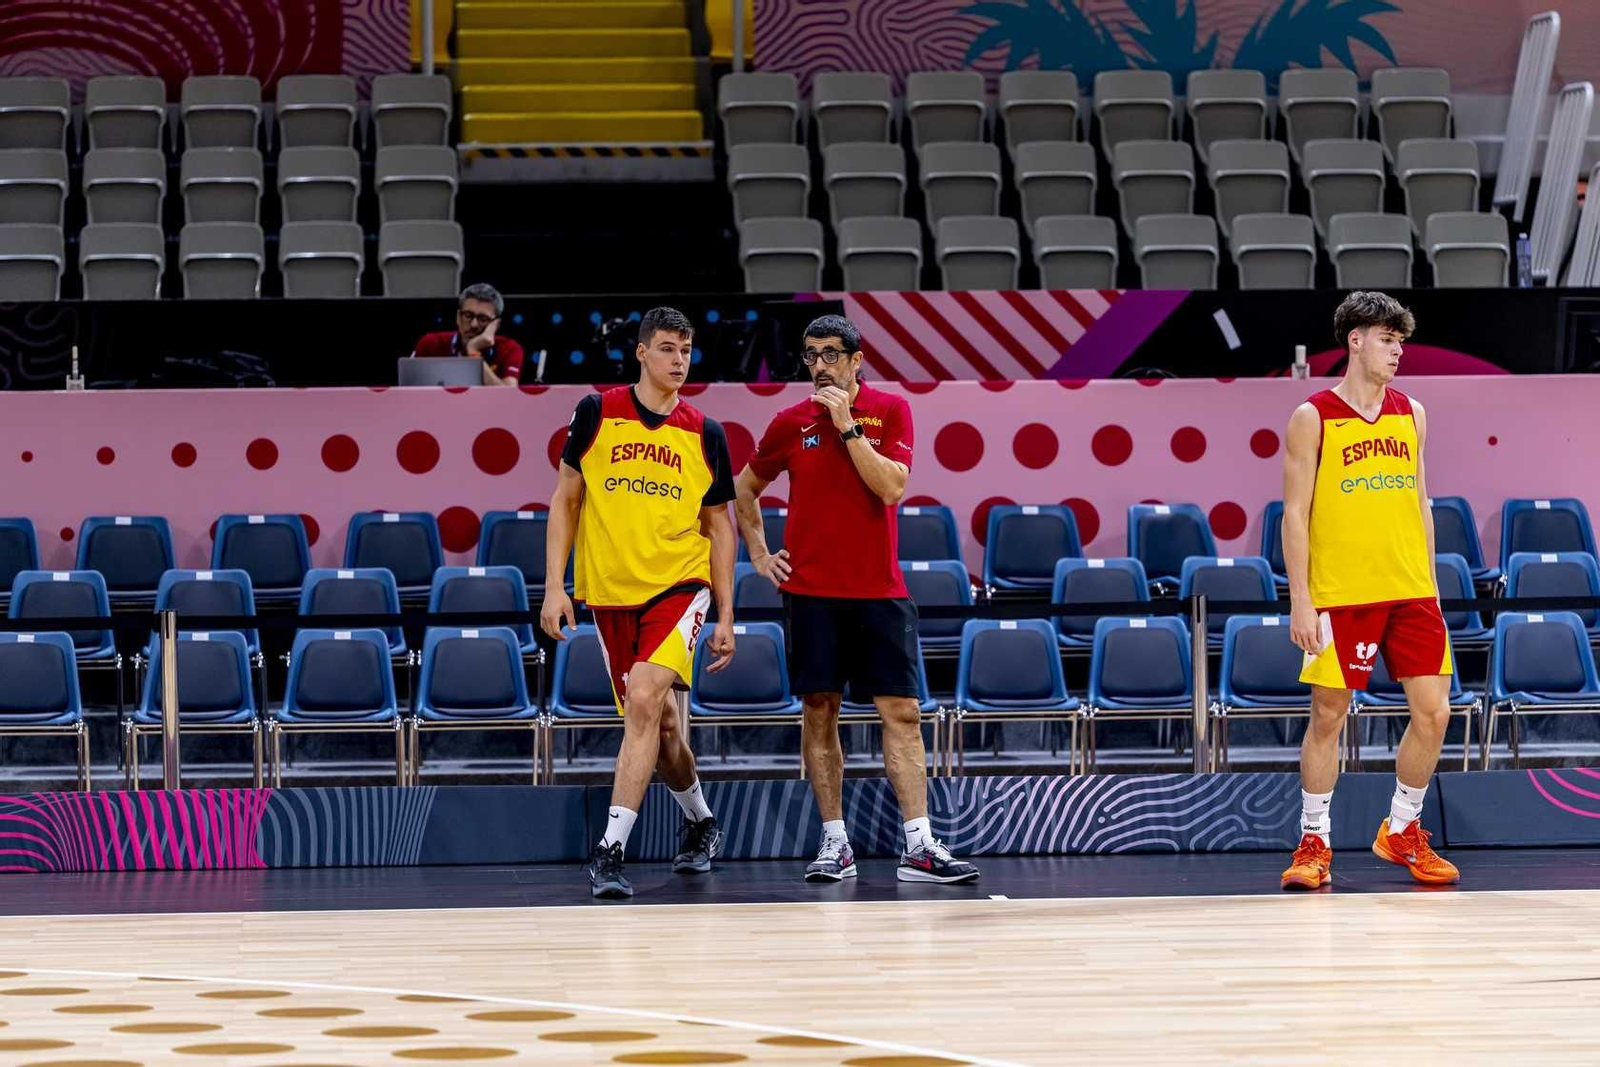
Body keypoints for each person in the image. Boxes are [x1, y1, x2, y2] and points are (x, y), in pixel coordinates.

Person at [734, 314, 978, 885]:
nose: (820, 365)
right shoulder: (789, 422)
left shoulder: (890, 410)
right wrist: (760, 555)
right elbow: (744, 489)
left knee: (903, 713)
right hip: (811, 593)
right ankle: (835, 842)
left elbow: (891, 486)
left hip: (879, 591)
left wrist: (846, 425)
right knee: (820, 711)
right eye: (810, 354)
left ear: (856, 360)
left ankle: (919, 845)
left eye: (831, 354)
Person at [541, 307, 738, 900]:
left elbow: (720, 525)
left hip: (679, 583)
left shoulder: (706, 431)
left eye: (687, 350)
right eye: (669, 348)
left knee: (647, 698)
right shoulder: (595, 412)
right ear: (642, 352)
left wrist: (726, 613)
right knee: (662, 727)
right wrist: (554, 586)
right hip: (610, 592)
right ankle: (701, 819)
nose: (680, 360)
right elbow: (566, 498)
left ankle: (610, 850)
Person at [1280, 291, 1459, 890]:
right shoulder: (1312, 416)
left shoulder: (1413, 413)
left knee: (1434, 713)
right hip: (1341, 592)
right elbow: (1294, 514)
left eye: (1400, 341)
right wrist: (1301, 598)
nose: (1397, 351)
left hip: (1411, 588)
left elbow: (1421, 501)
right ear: (1355, 341)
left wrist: (1431, 584)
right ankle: (1314, 841)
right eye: (1387, 339)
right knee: (1329, 715)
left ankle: (1402, 828)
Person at [411, 283, 526, 386]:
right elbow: (406, 389)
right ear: (458, 317)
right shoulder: (430, 343)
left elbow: (508, 396)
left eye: (483, 319)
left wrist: (473, 352)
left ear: (496, 324)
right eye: (468, 315)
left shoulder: (510, 349)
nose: (474, 324)